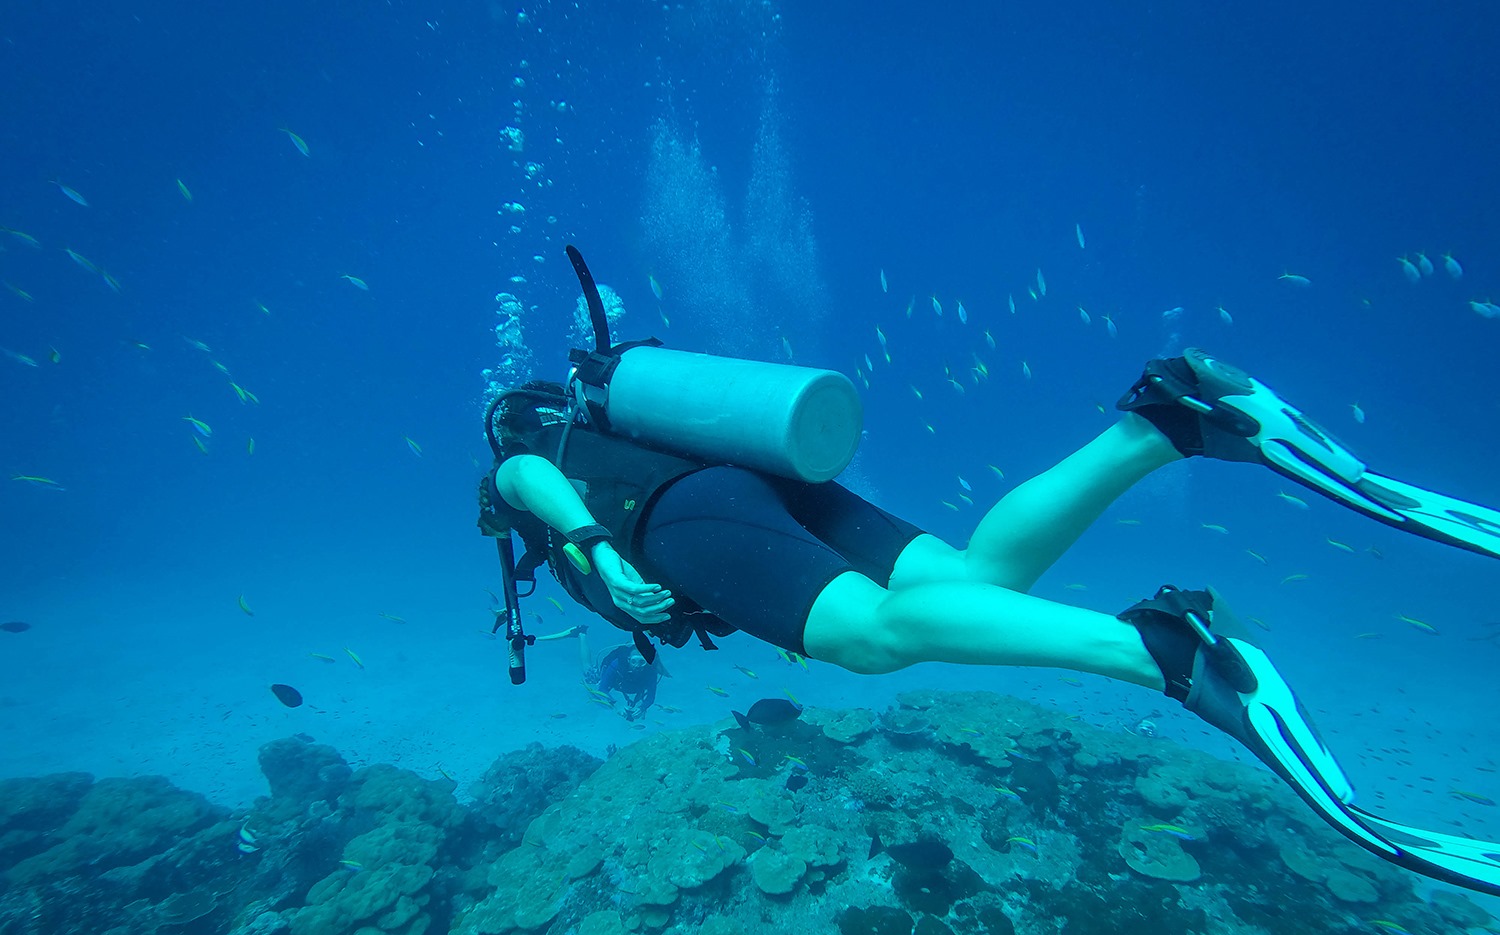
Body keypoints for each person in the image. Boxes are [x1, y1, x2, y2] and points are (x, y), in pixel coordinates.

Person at [478, 259, 1500, 896]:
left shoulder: (532, 462)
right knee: (973, 572)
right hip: (767, 474)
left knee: (874, 638)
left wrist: (598, 544)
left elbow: (522, 473)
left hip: (686, 521)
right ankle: (1169, 423)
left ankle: (1167, 651)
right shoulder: (635, 419)